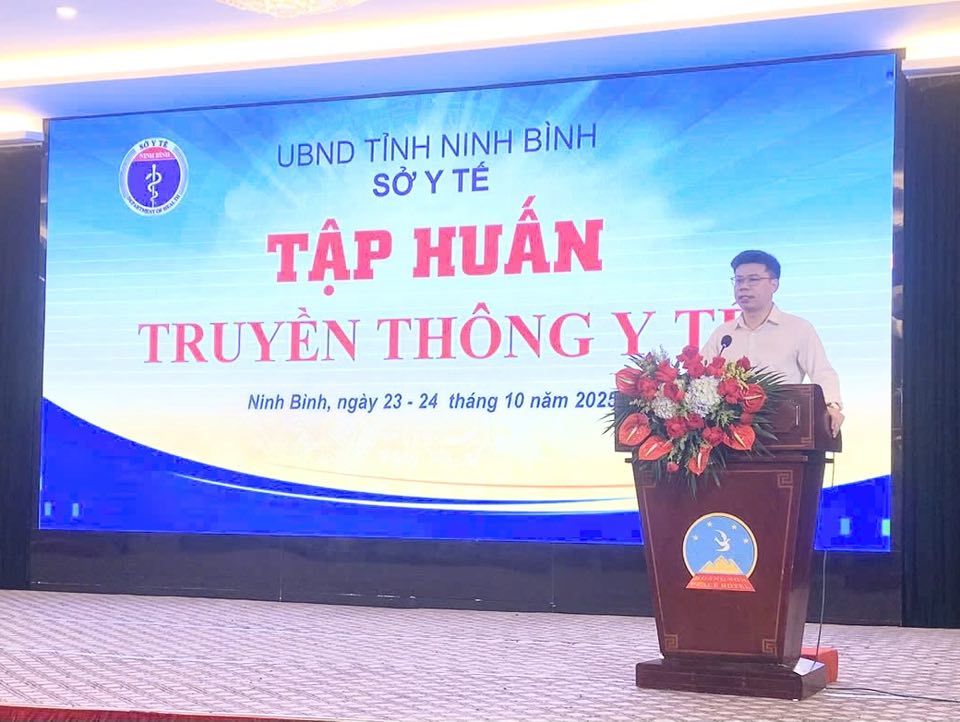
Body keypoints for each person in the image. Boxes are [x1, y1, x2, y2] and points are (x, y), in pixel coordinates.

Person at [701, 250, 844, 437]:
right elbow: (700, 377)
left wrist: (831, 406)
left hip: (784, 430)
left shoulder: (798, 328)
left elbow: (822, 372)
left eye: (753, 280)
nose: (744, 287)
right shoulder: (723, 334)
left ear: (774, 284)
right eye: (739, 280)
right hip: (730, 436)